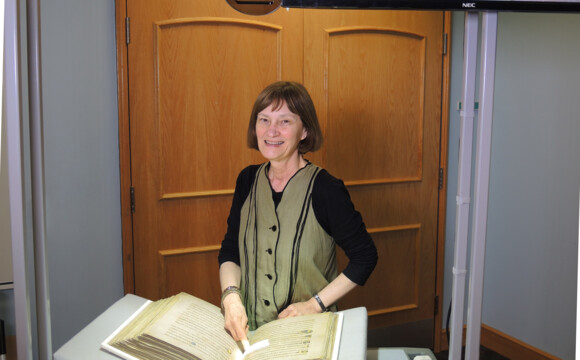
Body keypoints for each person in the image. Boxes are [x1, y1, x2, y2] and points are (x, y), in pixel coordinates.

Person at [218, 81, 378, 344]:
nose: (271, 131)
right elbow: (230, 251)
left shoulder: (326, 189)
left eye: (285, 121)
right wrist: (231, 297)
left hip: (307, 336)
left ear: (304, 131)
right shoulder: (246, 181)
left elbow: (365, 257)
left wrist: (314, 305)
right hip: (249, 335)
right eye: (264, 119)